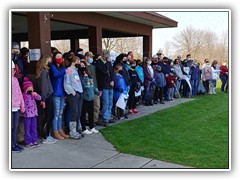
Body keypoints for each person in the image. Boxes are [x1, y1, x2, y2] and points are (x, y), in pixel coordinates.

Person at [36, 55, 56, 144]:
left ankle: (47, 134)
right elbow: (44, 86)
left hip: (48, 95)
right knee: (47, 116)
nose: (50, 62)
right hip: (47, 97)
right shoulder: (43, 72)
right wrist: (43, 99)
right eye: (49, 60)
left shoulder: (45, 71)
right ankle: (45, 136)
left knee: (51, 115)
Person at [50, 51, 70, 140]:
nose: (60, 59)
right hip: (55, 92)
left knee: (60, 113)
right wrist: (65, 71)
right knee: (56, 113)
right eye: (58, 57)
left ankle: (60, 129)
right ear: (54, 58)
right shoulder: (52, 67)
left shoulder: (62, 67)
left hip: (62, 92)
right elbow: (56, 74)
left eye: (61, 57)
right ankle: (55, 131)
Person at [64, 56, 83, 139]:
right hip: (73, 93)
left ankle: (77, 128)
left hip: (79, 92)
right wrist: (72, 91)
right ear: (74, 62)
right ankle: (72, 131)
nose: (79, 63)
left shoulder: (76, 70)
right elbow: (66, 82)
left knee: (78, 112)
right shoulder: (68, 70)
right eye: (78, 61)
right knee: (74, 111)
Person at [79, 61, 100, 135]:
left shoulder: (89, 76)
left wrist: (97, 92)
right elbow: (83, 86)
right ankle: (83, 128)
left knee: (91, 112)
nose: (82, 67)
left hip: (91, 97)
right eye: (81, 65)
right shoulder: (80, 77)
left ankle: (92, 126)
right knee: (83, 113)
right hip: (85, 97)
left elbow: (92, 86)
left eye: (83, 65)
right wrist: (84, 78)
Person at [95, 53, 115, 127]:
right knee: (105, 102)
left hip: (110, 85)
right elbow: (104, 71)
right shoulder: (99, 63)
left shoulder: (109, 63)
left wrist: (112, 80)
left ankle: (109, 116)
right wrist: (108, 63)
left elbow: (112, 72)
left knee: (110, 102)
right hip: (104, 85)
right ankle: (105, 118)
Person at [22, 77, 42, 148]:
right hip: (27, 115)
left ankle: (34, 140)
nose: (30, 90)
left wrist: (36, 94)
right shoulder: (24, 95)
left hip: (34, 114)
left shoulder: (33, 95)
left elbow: (39, 98)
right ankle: (28, 142)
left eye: (31, 88)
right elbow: (21, 103)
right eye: (28, 88)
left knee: (34, 128)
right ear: (25, 89)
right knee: (27, 128)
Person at [12, 61, 25, 152]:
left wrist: (22, 105)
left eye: (13, 69)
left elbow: (20, 93)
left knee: (15, 126)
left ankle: (14, 144)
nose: (13, 71)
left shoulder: (15, 79)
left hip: (16, 107)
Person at [85, 51, 100, 124]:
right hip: (88, 88)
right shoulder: (85, 66)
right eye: (90, 57)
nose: (91, 58)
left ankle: (95, 119)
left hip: (95, 87)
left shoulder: (93, 66)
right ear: (86, 57)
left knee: (96, 105)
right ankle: (88, 120)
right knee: (88, 106)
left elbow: (95, 77)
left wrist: (96, 87)